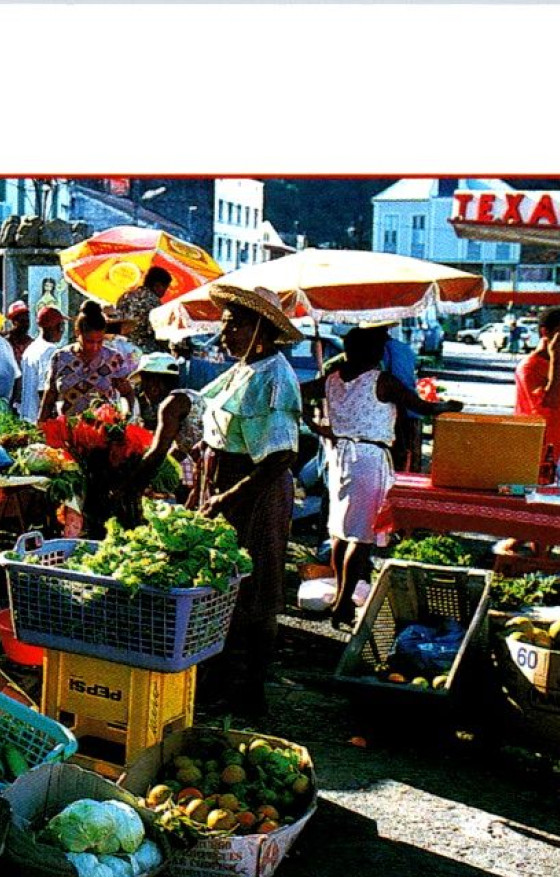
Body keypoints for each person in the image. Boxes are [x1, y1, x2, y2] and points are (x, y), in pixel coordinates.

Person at [192, 285, 305, 714]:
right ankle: (220, 679)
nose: (226, 334)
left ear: (262, 329)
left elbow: (280, 456)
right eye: (224, 325)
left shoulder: (274, 377)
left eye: (235, 325)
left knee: (255, 592)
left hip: (254, 491)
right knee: (223, 587)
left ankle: (250, 689)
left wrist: (226, 497)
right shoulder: (245, 368)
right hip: (224, 484)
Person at [305, 325, 463, 630]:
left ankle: (342, 595)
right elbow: (422, 407)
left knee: (340, 532)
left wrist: (315, 426)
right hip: (367, 458)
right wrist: (448, 407)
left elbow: (298, 393)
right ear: (374, 352)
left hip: (339, 456)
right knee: (361, 537)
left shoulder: (333, 379)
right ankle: (342, 604)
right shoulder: (382, 381)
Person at [124, 353, 208, 506]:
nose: (143, 392)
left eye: (144, 383)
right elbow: (179, 450)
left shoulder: (172, 404)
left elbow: (159, 451)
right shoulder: (186, 397)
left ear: (154, 384)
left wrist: (130, 485)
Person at [40, 301, 137, 419]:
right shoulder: (61, 358)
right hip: (67, 429)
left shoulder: (113, 359)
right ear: (77, 333)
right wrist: (41, 425)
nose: (95, 347)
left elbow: (127, 393)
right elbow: (50, 396)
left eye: (99, 341)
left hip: (102, 430)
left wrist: (126, 417)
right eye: (89, 342)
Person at [515, 306, 560, 466]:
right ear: (545, 332)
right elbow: (551, 401)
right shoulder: (530, 366)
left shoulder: (553, 363)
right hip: (538, 449)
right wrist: (556, 357)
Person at [16, 305, 66, 423]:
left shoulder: (31, 348)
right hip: (39, 420)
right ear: (58, 327)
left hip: (27, 417)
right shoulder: (50, 351)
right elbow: (44, 391)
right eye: (62, 326)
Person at [114, 265, 172, 354]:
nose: (165, 292)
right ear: (157, 286)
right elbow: (158, 334)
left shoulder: (124, 296)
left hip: (121, 348)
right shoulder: (154, 302)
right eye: (165, 288)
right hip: (144, 353)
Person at [4, 301, 33, 367]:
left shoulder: (31, 343)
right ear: (14, 322)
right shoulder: (5, 343)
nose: (26, 324)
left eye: (27, 321)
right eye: (22, 321)